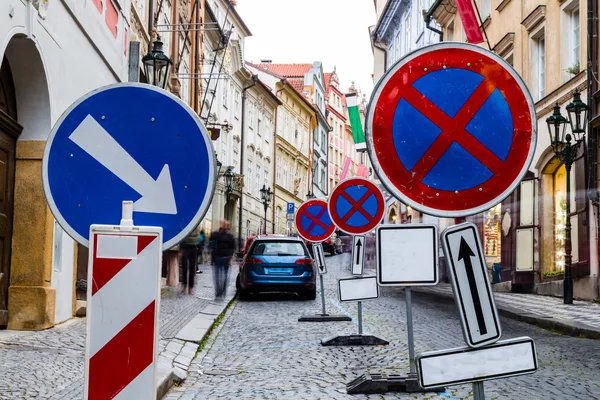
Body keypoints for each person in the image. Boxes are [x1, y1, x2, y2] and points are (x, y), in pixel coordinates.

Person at [209, 220, 236, 300]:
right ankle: (221, 292)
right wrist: (230, 255)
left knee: (219, 276)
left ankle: (219, 292)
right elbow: (233, 247)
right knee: (223, 275)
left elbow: (211, 245)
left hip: (219, 257)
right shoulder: (229, 235)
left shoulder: (216, 234)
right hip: (223, 257)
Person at [180, 225, 201, 295]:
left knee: (192, 269)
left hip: (193, 247)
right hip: (185, 247)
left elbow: (197, 237)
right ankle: (184, 286)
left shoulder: (195, 224)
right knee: (184, 268)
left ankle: (190, 287)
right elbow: (182, 234)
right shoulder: (185, 223)